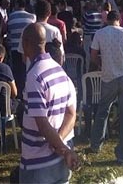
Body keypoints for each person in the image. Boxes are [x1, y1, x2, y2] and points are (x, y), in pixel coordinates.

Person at [19, 23, 79, 183]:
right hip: (60, 161)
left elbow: (42, 123)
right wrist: (61, 145)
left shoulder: (35, 76)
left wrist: (60, 148)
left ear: (25, 44)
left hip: (37, 163)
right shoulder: (60, 71)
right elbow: (71, 114)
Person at [89, 10, 123, 164]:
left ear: (108, 20)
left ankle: (96, 144)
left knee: (102, 110)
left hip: (108, 76)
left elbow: (93, 55)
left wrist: (101, 64)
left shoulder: (100, 33)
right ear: (119, 20)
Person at [83, 0, 104, 65]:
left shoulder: (87, 14)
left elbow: (83, 23)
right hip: (97, 35)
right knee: (97, 52)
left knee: (87, 53)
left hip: (88, 35)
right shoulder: (100, 14)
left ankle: (88, 68)